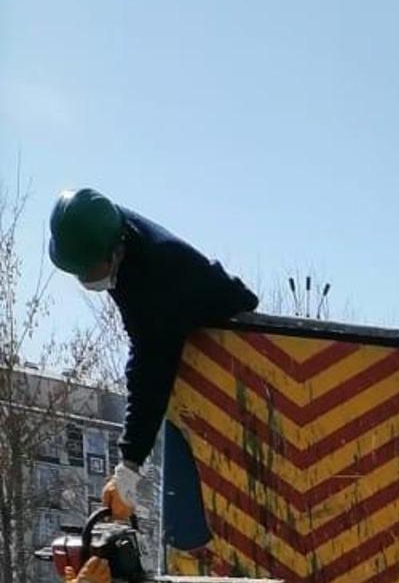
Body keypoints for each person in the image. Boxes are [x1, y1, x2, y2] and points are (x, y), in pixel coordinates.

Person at [47, 189, 258, 522]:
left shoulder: (160, 272)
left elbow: (150, 372)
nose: (85, 280)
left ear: (114, 251)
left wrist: (129, 466)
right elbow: (143, 351)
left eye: (88, 271)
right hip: (187, 325)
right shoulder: (110, 234)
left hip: (230, 345)